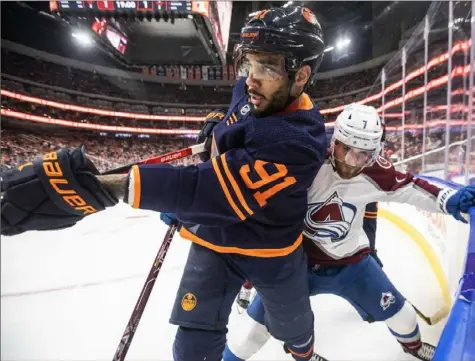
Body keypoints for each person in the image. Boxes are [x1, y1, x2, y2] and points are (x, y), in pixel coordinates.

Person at [0, 6, 328, 361]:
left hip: (271, 250)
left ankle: (304, 355)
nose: (250, 78)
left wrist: (105, 187)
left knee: (294, 327)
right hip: (215, 237)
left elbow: (208, 191)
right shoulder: (256, 92)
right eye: (247, 63)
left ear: (301, 75)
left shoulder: (300, 140)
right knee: (193, 342)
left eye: (267, 67)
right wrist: (218, 123)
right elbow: (234, 115)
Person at [222, 104, 475, 361]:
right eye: (346, 150)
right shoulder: (307, 161)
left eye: (363, 155)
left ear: (375, 152)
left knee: (404, 317)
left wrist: (449, 199)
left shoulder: (377, 173)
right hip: (296, 267)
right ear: (335, 141)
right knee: (248, 337)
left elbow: (412, 188)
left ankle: (413, 347)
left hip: (352, 265)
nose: (351, 163)